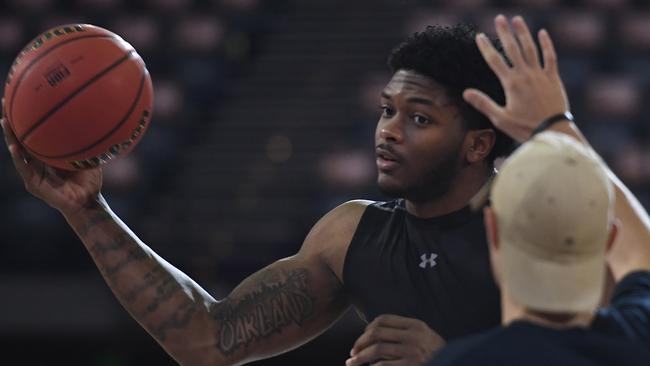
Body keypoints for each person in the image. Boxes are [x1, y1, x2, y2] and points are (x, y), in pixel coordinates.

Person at [0, 23, 514, 366]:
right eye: (387, 110)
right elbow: (207, 340)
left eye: (419, 118)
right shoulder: (354, 234)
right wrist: (88, 211)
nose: (389, 131)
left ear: (477, 144)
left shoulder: (530, 229)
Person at [420, 15, 650, 366]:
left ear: (492, 231)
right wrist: (556, 122)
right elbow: (641, 255)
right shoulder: (638, 338)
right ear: (609, 239)